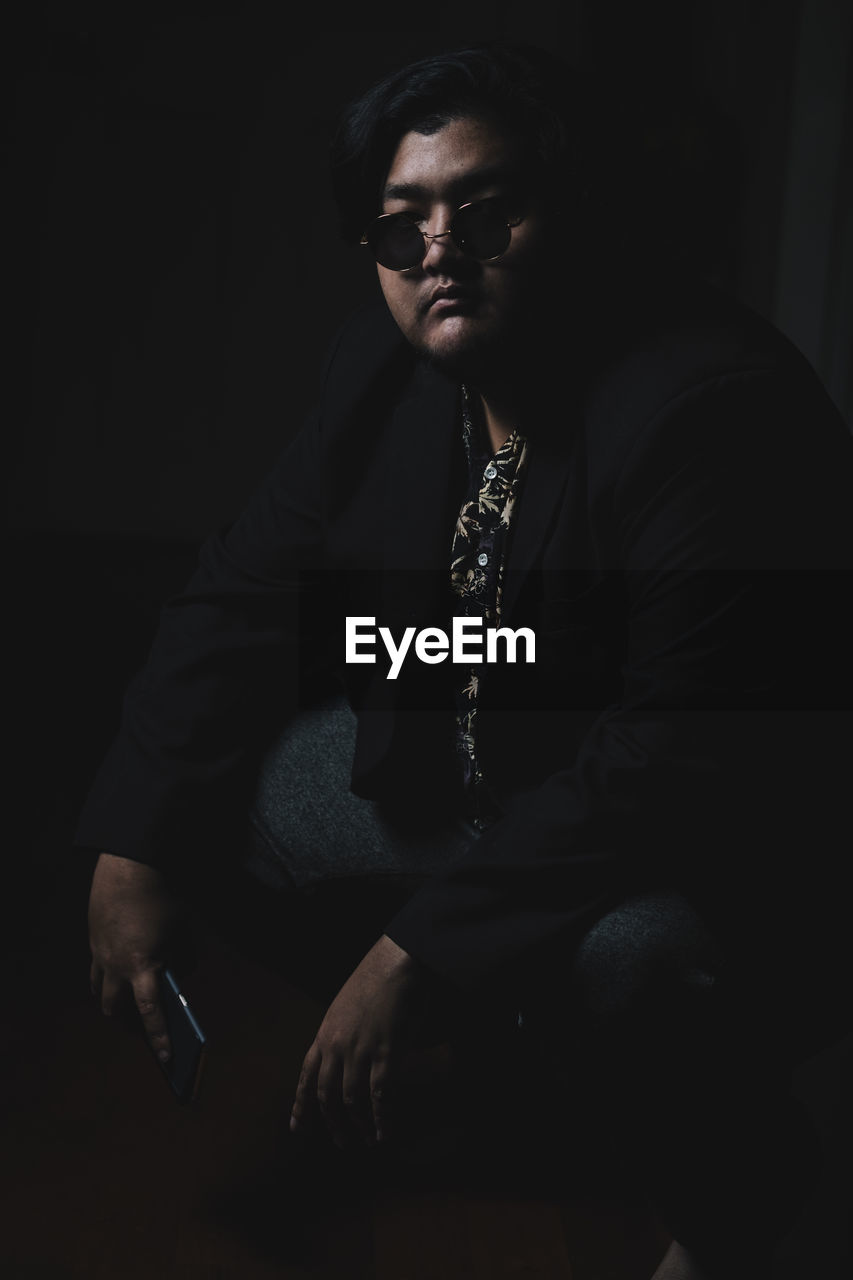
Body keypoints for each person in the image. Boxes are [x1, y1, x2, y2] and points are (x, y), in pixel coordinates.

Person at [80, 42, 852, 1279]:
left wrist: (416, 951)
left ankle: (738, 1197)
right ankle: (515, 1042)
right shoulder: (380, 372)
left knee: (631, 954)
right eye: (400, 228)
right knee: (228, 789)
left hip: (703, 844)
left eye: (484, 209)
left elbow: (675, 751)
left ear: (570, 215)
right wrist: (133, 842)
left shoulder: (705, 406)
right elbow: (239, 588)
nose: (438, 249)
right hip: (498, 770)